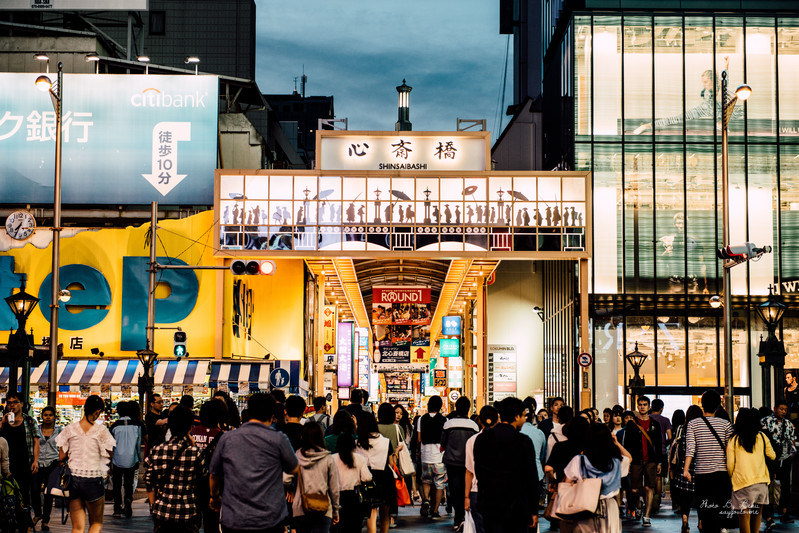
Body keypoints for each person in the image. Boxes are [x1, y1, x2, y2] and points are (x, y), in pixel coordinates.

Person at [210, 393, 299, 533]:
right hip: (270, 520)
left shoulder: (227, 438)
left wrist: (214, 496)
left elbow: (214, 475)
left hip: (234, 519)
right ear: (272, 414)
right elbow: (294, 469)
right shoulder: (279, 439)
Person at [473, 397, 539, 532]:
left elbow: (479, 471)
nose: (525, 419)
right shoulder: (523, 441)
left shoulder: (482, 439)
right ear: (516, 416)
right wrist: (533, 510)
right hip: (517, 506)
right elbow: (531, 478)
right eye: (523, 416)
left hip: (490, 503)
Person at [56, 395, 115, 533]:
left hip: (74, 479)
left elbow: (61, 456)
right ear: (97, 412)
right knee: (96, 524)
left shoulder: (69, 429)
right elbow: (110, 454)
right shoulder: (101, 431)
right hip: (94, 479)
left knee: (77, 527)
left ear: (84, 408)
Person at [560, 423, 632, 533]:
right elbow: (629, 458)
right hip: (609, 506)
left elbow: (567, 482)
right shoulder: (616, 462)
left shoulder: (579, 460)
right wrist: (616, 443)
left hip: (584, 504)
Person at [143, 406, 204, 533]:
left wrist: (153, 505)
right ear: (189, 427)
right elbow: (202, 478)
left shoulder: (157, 450)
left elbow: (148, 480)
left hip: (163, 512)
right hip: (188, 512)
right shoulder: (195, 453)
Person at [683, 390, 733, 533]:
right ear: (718, 405)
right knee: (719, 508)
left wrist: (686, 470)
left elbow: (690, 449)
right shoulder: (726, 425)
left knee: (704, 510)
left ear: (702, 404)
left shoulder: (693, 424)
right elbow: (730, 450)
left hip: (702, 474)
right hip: (722, 474)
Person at [727, 407, 775, 533]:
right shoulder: (762, 437)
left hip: (742, 483)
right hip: (761, 482)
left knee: (744, 517)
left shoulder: (734, 439)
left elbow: (730, 464)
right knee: (757, 515)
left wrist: (731, 478)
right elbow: (773, 455)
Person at [291, 422, 340, 533]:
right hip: (323, 508)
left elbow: (285, 479)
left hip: (300, 508)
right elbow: (334, 489)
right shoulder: (327, 458)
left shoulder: (296, 457)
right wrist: (336, 511)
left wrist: (290, 489)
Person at [622, 395, 661, 527]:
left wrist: (659, 462)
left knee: (649, 487)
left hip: (650, 460)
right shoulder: (632, 425)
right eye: (640, 404)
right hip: (635, 460)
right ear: (637, 407)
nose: (642, 407)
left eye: (645, 404)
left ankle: (647, 515)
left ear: (649, 407)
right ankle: (636, 507)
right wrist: (627, 462)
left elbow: (658, 443)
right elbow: (627, 444)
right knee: (634, 489)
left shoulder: (655, 424)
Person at [441, 396, 479, 530]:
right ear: (468, 409)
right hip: (468, 463)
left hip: (452, 462)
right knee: (467, 490)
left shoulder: (448, 424)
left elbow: (443, 443)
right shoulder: (474, 425)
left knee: (455, 490)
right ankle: (467, 518)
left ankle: (458, 519)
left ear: (456, 408)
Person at [1, 391, 41, 519]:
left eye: (15, 402)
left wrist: (35, 460)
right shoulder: (4, 422)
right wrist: (2, 423)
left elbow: (36, 442)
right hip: (7, 465)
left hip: (24, 464)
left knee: (24, 495)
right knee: (7, 494)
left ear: (22, 404)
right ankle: (10, 522)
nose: (11, 405)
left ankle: (25, 524)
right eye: (9, 403)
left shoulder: (29, 421)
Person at [190, 399, 226, 533]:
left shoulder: (192, 433)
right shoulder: (222, 435)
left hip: (193, 482)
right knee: (212, 523)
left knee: (193, 521)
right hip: (214, 484)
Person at [356, 412, 395, 533]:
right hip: (385, 477)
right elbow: (391, 463)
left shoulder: (357, 442)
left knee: (371, 513)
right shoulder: (385, 441)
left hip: (365, 479)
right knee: (384, 514)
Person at [761, 399, 797, 530]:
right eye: (781, 409)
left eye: (785, 410)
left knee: (786, 485)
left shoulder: (788, 423)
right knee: (768, 486)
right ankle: (768, 516)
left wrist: (792, 452)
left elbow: (792, 439)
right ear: (775, 408)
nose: (783, 412)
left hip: (786, 458)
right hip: (771, 459)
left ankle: (784, 511)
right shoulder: (766, 421)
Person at [465, 405, 498, 533]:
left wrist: (466, 497)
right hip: (498, 490)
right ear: (497, 420)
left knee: (481, 528)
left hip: (476, 490)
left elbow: (469, 471)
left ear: (479, 420)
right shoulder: (502, 440)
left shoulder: (472, 440)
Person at [109, 401, 143, 519]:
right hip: (132, 458)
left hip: (117, 458)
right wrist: (139, 457)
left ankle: (117, 506)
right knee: (129, 483)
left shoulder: (114, 426)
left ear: (118, 411)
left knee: (117, 484)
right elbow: (138, 444)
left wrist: (110, 459)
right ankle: (128, 500)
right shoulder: (137, 425)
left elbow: (110, 445)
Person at [332, 432, 371, 533]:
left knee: (338, 527)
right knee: (354, 526)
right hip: (354, 497)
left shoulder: (332, 458)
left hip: (336, 496)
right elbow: (367, 477)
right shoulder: (359, 458)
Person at [670, 405, 701, 533]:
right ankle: (700, 521)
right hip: (699, 466)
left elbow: (675, 448)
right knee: (700, 497)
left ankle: (685, 519)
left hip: (683, 467)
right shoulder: (701, 429)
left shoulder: (681, 429)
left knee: (684, 498)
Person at [416, 395, 447, 519]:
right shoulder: (444, 420)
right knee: (439, 484)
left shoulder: (421, 419)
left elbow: (419, 439)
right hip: (438, 457)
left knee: (426, 481)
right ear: (440, 406)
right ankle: (435, 511)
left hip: (425, 455)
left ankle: (426, 501)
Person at [32, 405, 61, 531]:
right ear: (42, 416)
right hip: (38, 464)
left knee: (49, 493)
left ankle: (45, 521)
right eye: (45, 415)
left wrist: (62, 460)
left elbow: (65, 446)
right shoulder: (36, 429)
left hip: (53, 464)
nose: (48, 417)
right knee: (34, 490)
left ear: (54, 417)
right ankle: (38, 513)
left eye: (50, 415)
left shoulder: (60, 430)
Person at [647, 398, 672, 513]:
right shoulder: (665, 420)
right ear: (661, 409)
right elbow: (670, 437)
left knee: (647, 477)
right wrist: (664, 443)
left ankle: (648, 500)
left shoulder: (647, 419)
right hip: (661, 451)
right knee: (659, 478)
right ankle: (656, 501)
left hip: (648, 451)